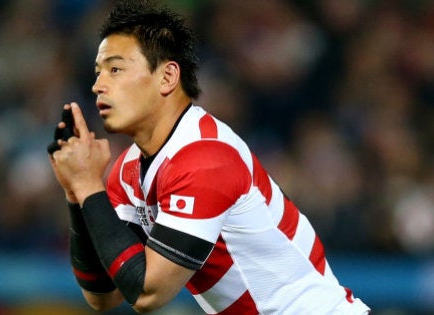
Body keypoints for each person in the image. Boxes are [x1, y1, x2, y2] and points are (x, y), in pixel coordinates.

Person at [48, 1, 371, 314]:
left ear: (167, 77)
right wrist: (76, 193)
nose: (98, 86)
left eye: (115, 69)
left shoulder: (205, 158)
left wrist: (89, 184)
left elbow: (148, 294)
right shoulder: (129, 170)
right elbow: (105, 294)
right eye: (98, 72)